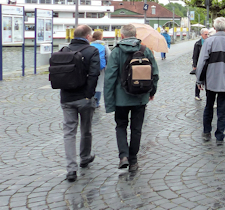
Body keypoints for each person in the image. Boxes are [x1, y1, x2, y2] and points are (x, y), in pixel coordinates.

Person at [103, 24, 159, 172]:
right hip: (140, 96)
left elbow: (110, 78)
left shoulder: (116, 51)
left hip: (121, 98)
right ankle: (133, 159)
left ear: (122, 36)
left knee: (121, 126)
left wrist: (109, 101)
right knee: (137, 128)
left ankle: (123, 156)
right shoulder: (144, 50)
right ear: (135, 34)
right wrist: (151, 92)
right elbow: (155, 74)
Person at [60, 25, 100, 182]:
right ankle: (84, 157)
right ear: (88, 36)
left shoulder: (63, 50)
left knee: (69, 133)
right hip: (84, 98)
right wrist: (89, 95)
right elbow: (94, 74)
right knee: (86, 129)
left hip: (66, 98)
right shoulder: (92, 51)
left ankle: (71, 169)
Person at [196, 17, 225, 145]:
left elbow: (202, 62)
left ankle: (206, 131)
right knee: (223, 108)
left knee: (209, 105)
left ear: (214, 28)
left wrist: (199, 80)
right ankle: (220, 135)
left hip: (211, 79)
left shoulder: (209, 41)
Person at [90, 30, 111, 108]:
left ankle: (90, 99)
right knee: (99, 84)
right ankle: (97, 102)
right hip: (101, 67)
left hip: (90, 67)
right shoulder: (104, 45)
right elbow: (109, 56)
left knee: (91, 83)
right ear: (101, 37)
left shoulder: (90, 44)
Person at [192, 28, 209, 101]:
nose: (207, 36)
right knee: (198, 79)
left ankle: (208, 95)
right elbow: (195, 55)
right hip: (199, 64)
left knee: (207, 80)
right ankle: (197, 94)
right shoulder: (198, 44)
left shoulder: (209, 42)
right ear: (201, 34)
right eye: (205, 34)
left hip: (207, 64)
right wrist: (194, 65)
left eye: (208, 34)